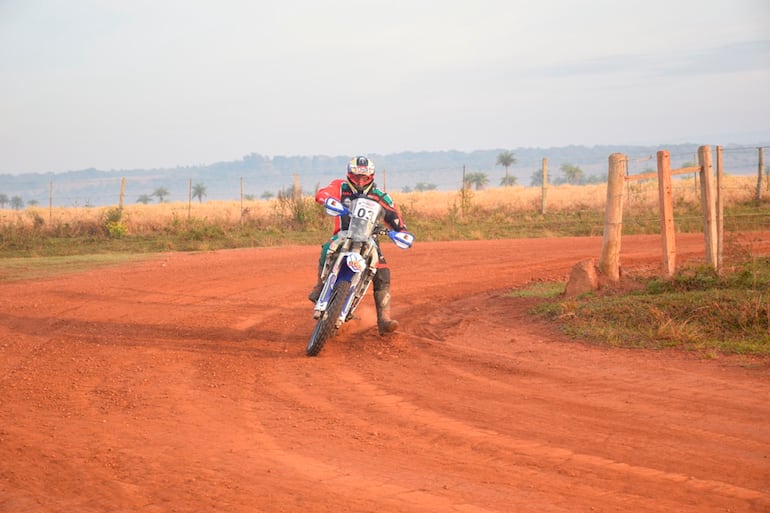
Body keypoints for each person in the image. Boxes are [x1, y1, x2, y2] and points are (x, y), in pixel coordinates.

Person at [309, 155, 408, 335]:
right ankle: (319, 285)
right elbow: (323, 193)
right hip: (344, 234)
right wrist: (327, 200)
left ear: (371, 177)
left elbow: (394, 216)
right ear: (349, 175)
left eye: (364, 177)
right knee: (327, 249)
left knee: (383, 271)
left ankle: (384, 319)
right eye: (356, 177)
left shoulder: (380, 196)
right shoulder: (340, 187)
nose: (360, 181)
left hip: (369, 239)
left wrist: (401, 231)